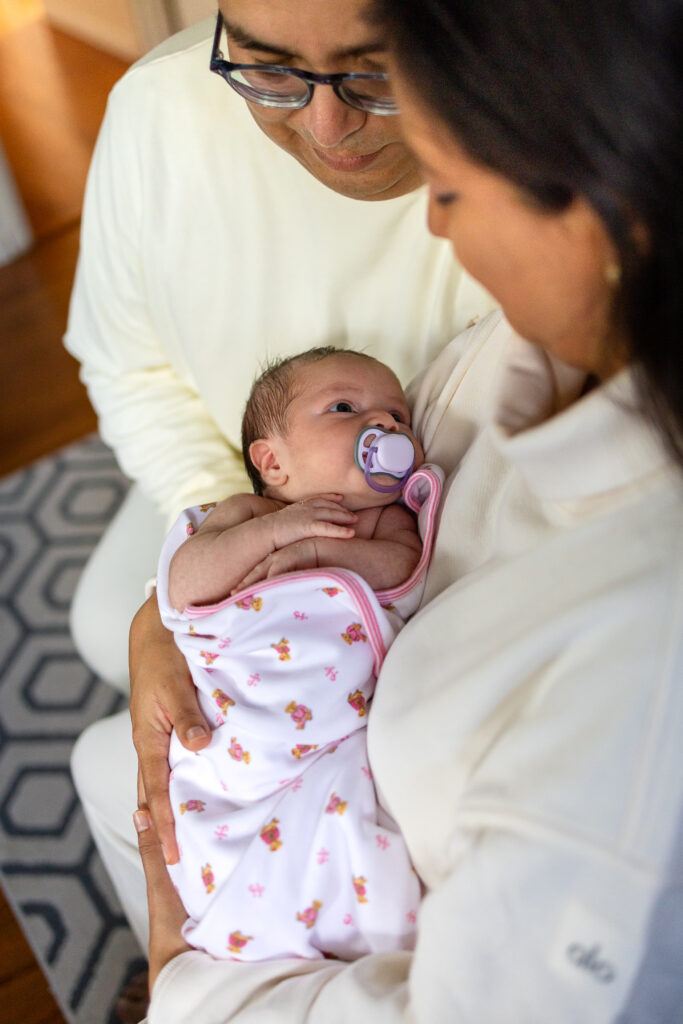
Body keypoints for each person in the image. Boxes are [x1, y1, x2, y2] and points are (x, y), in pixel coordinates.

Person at [127, 0, 683, 1020]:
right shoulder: (523, 346)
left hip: (307, 905)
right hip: (267, 749)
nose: (430, 218)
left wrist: (180, 976)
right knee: (103, 771)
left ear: (606, 205)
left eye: (452, 185)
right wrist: (169, 609)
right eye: (266, 66)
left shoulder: (638, 697)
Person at [64, 0, 495, 696]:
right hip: (240, 495)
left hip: (460, 567)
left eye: (377, 74)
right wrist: (235, 530)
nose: (328, 127)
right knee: (105, 626)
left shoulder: (551, 175)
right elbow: (128, 365)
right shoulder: (157, 112)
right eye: (268, 70)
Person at [158, 346, 442, 961]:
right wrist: (277, 532)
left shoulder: (387, 521)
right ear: (273, 461)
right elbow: (185, 586)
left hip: (340, 737)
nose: (386, 426)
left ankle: (340, 928)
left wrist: (321, 554)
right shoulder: (244, 515)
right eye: (345, 407)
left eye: (398, 415)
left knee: (353, 831)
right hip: (246, 739)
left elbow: (401, 572)